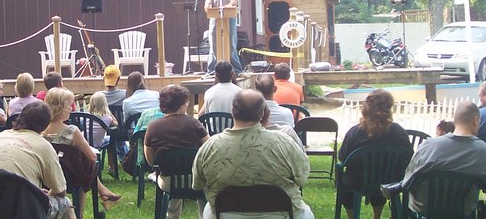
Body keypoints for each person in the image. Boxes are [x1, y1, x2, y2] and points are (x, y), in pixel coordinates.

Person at [193, 89, 313, 219]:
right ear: (262, 113)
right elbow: (302, 177)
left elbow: (198, 184)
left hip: (225, 215)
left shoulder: (210, 147)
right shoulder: (284, 142)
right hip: (283, 214)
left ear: (232, 111)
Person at [394, 102, 486, 216]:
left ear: (455, 120)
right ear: (476, 120)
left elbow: (407, 181)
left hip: (425, 210)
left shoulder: (428, 146)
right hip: (462, 212)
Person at [0, 102, 76, 219]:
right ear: (46, 125)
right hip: (22, 208)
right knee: (66, 204)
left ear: (21, 117)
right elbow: (60, 191)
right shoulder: (43, 145)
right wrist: (42, 194)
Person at [337, 89, 412, 219]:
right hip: (391, 181)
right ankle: (376, 216)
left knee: (343, 179)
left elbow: (342, 157)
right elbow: (410, 156)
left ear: (366, 108)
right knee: (380, 176)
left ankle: (352, 216)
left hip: (358, 181)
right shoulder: (399, 132)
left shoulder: (355, 133)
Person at [42, 88, 121, 211]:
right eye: (69, 105)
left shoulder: (41, 131)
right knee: (86, 165)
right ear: (61, 107)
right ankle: (80, 213)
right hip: (71, 178)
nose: (71, 108)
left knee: (82, 165)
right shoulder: (71, 131)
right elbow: (92, 156)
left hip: (48, 178)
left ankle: (103, 192)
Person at [145, 85, 209, 218]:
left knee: (172, 178)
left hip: (168, 180)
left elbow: (150, 158)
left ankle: (171, 216)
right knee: (204, 191)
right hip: (195, 180)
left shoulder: (153, 126)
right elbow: (208, 148)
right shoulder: (194, 124)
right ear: (181, 105)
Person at [204, 0, 243, 74]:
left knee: (231, 44)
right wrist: (210, 7)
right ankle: (211, 71)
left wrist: (225, 7)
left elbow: (233, 3)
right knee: (213, 45)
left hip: (229, 18)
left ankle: (236, 70)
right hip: (214, 19)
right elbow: (207, 6)